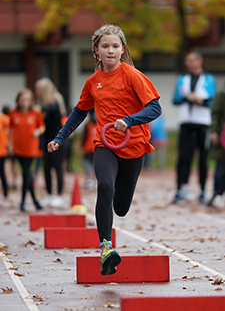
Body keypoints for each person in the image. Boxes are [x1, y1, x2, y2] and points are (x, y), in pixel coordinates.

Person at [47, 24, 162, 275]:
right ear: (96, 51)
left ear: (122, 50)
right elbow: (79, 112)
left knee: (120, 207)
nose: (110, 50)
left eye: (115, 46)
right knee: (105, 186)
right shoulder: (93, 82)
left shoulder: (132, 75)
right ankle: (106, 248)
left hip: (134, 146)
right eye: (105, 46)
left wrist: (129, 120)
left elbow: (155, 109)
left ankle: (111, 229)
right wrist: (60, 137)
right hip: (105, 144)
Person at [172, 51, 216, 204]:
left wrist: (201, 100)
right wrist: (187, 97)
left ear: (200, 61)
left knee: (203, 158)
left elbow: (213, 100)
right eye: (187, 61)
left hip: (203, 123)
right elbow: (175, 99)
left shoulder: (208, 79)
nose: (189, 64)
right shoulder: (182, 79)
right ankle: (180, 189)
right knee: (184, 157)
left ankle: (203, 190)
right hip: (186, 122)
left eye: (192, 61)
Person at [9, 89, 45, 211]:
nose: (25, 102)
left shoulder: (35, 113)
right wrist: (10, 144)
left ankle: (23, 202)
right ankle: (34, 200)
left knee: (25, 173)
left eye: (28, 100)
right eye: (23, 100)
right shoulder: (13, 113)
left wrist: (37, 132)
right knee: (27, 173)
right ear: (18, 101)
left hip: (31, 148)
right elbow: (10, 129)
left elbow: (42, 127)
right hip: (18, 148)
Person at [35, 78, 67, 208]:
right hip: (46, 140)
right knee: (47, 168)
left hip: (58, 140)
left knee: (57, 167)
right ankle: (49, 194)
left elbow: (53, 108)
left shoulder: (55, 100)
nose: (37, 93)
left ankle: (58, 195)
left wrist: (38, 107)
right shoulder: (43, 103)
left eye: (38, 90)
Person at [207, 83, 225, 207]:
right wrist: (214, 131)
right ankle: (217, 194)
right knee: (221, 166)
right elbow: (215, 114)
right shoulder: (221, 95)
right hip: (222, 134)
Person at [81, 107, 97, 189]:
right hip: (95, 146)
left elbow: (84, 136)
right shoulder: (98, 123)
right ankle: (93, 179)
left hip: (89, 146)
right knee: (95, 164)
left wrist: (82, 145)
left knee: (86, 162)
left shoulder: (89, 124)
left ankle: (90, 179)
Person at [0, 103, 10, 206]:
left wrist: (10, 143)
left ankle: (6, 196)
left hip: (2, 151)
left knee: (2, 173)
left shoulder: (3, 118)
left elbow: (11, 127)